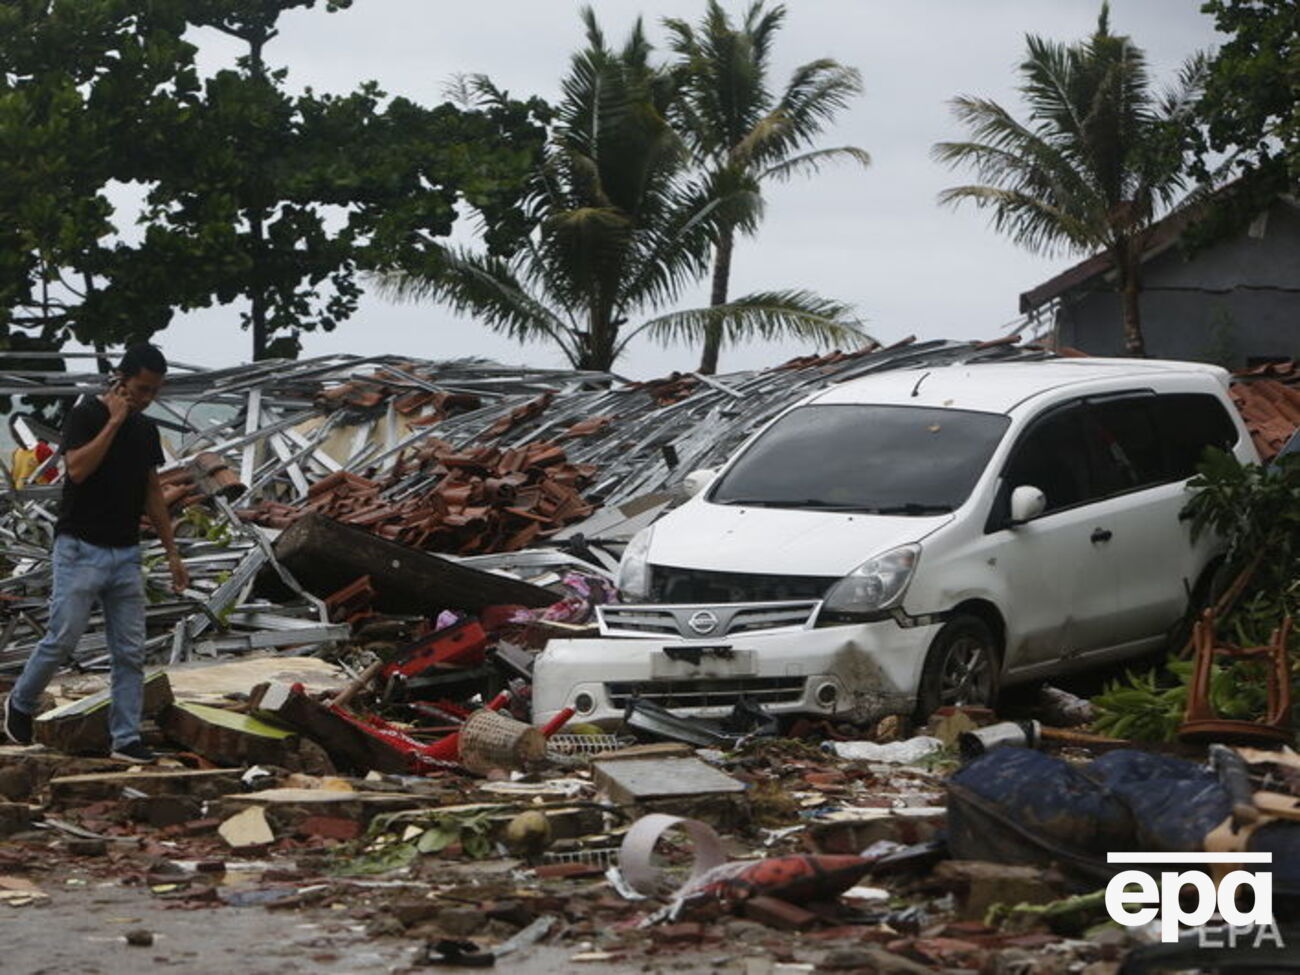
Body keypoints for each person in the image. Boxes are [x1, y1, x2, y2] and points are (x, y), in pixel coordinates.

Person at [3, 344, 189, 761]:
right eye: (141, 389)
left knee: (130, 651)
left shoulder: (145, 431)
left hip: (125, 555)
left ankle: (126, 739)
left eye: (154, 391)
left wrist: (172, 552)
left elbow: (152, 491)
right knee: (63, 637)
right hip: (79, 548)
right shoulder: (86, 414)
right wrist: (114, 422)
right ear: (121, 379)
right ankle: (21, 701)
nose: (146, 398)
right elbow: (78, 469)